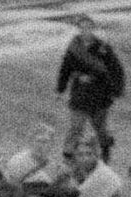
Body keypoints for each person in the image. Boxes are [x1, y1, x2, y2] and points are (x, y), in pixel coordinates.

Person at [54, 16, 126, 158]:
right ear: (78, 29)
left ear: (93, 29)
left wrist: (117, 89)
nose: (85, 31)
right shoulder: (73, 48)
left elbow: (115, 68)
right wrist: (60, 89)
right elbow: (65, 69)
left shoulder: (103, 48)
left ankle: (105, 148)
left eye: (88, 28)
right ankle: (68, 155)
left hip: (99, 94)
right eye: (82, 28)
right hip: (80, 93)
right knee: (76, 126)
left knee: (100, 128)